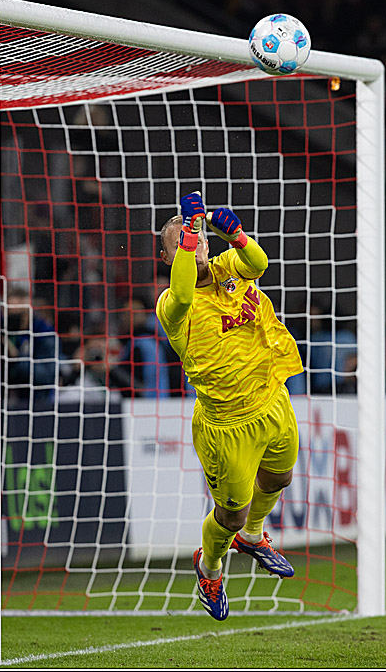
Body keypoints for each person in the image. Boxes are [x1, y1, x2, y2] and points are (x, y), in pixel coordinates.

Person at [155, 192, 303, 621]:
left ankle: (255, 538)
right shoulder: (172, 305)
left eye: (200, 238)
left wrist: (234, 233)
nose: (197, 243)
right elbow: (183, 291)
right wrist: (189, 233)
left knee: (279, 477)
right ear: (169, 256)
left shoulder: (227, 269)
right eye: (184, 240)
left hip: (271, 398)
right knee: (230, 515)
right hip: (226, 425)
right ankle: (210, 568)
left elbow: (258, 263)